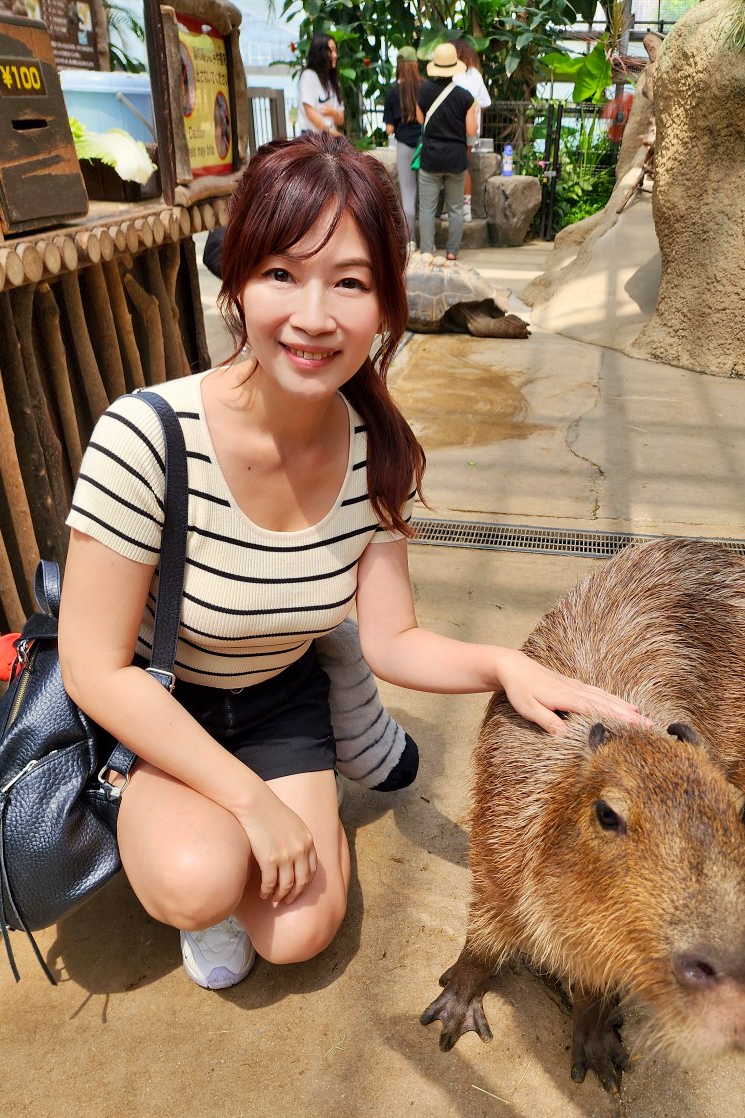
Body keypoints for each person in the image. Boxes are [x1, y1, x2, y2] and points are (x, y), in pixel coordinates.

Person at [58, 135, 648, 993]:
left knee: (299, 934)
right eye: (281, 275)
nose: (313, 316)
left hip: (281, 698)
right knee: (199, 882)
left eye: (350, 282)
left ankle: (268, 821)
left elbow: (391, 637)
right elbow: (92, 664)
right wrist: (252, 804)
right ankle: (202, 848)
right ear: (238, 286)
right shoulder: (146, 437)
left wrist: (504, 666)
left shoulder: (377, 447)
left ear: (385, 305)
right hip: (162, 701)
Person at [416, 42, 476, 262]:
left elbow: (419, 120)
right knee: (456, 209)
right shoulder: (465, 96)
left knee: (427, 209)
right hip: (455, 159)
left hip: (430, 158)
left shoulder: (423, 91)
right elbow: (471, 130)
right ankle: (452, 251)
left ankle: (427, 252)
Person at [382, 46, 422, 248]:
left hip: (404, 146)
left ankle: (410, 241)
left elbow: (389, 129)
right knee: (427, 196)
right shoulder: (425, 88)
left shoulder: (392, 92)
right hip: (425, 147)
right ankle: (428, 242)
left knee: (408, 195)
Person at [452, 39, 491, 224]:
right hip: (471, 130)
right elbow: (485, 103)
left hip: (451, 128)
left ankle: (455, 209)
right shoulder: (474, 74)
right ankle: (465, 209)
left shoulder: (453, 74)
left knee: (453, 169)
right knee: (463, 166)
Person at [298, 33, 344, 135]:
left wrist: (333, 112)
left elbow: (341, 119)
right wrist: (331, 133)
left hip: (328, 139)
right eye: (331, 51)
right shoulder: (309, 75)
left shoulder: (333, 81)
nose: (335, 55)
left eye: (335, 50)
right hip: (312, 138)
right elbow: (309, 111)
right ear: (320, 53)